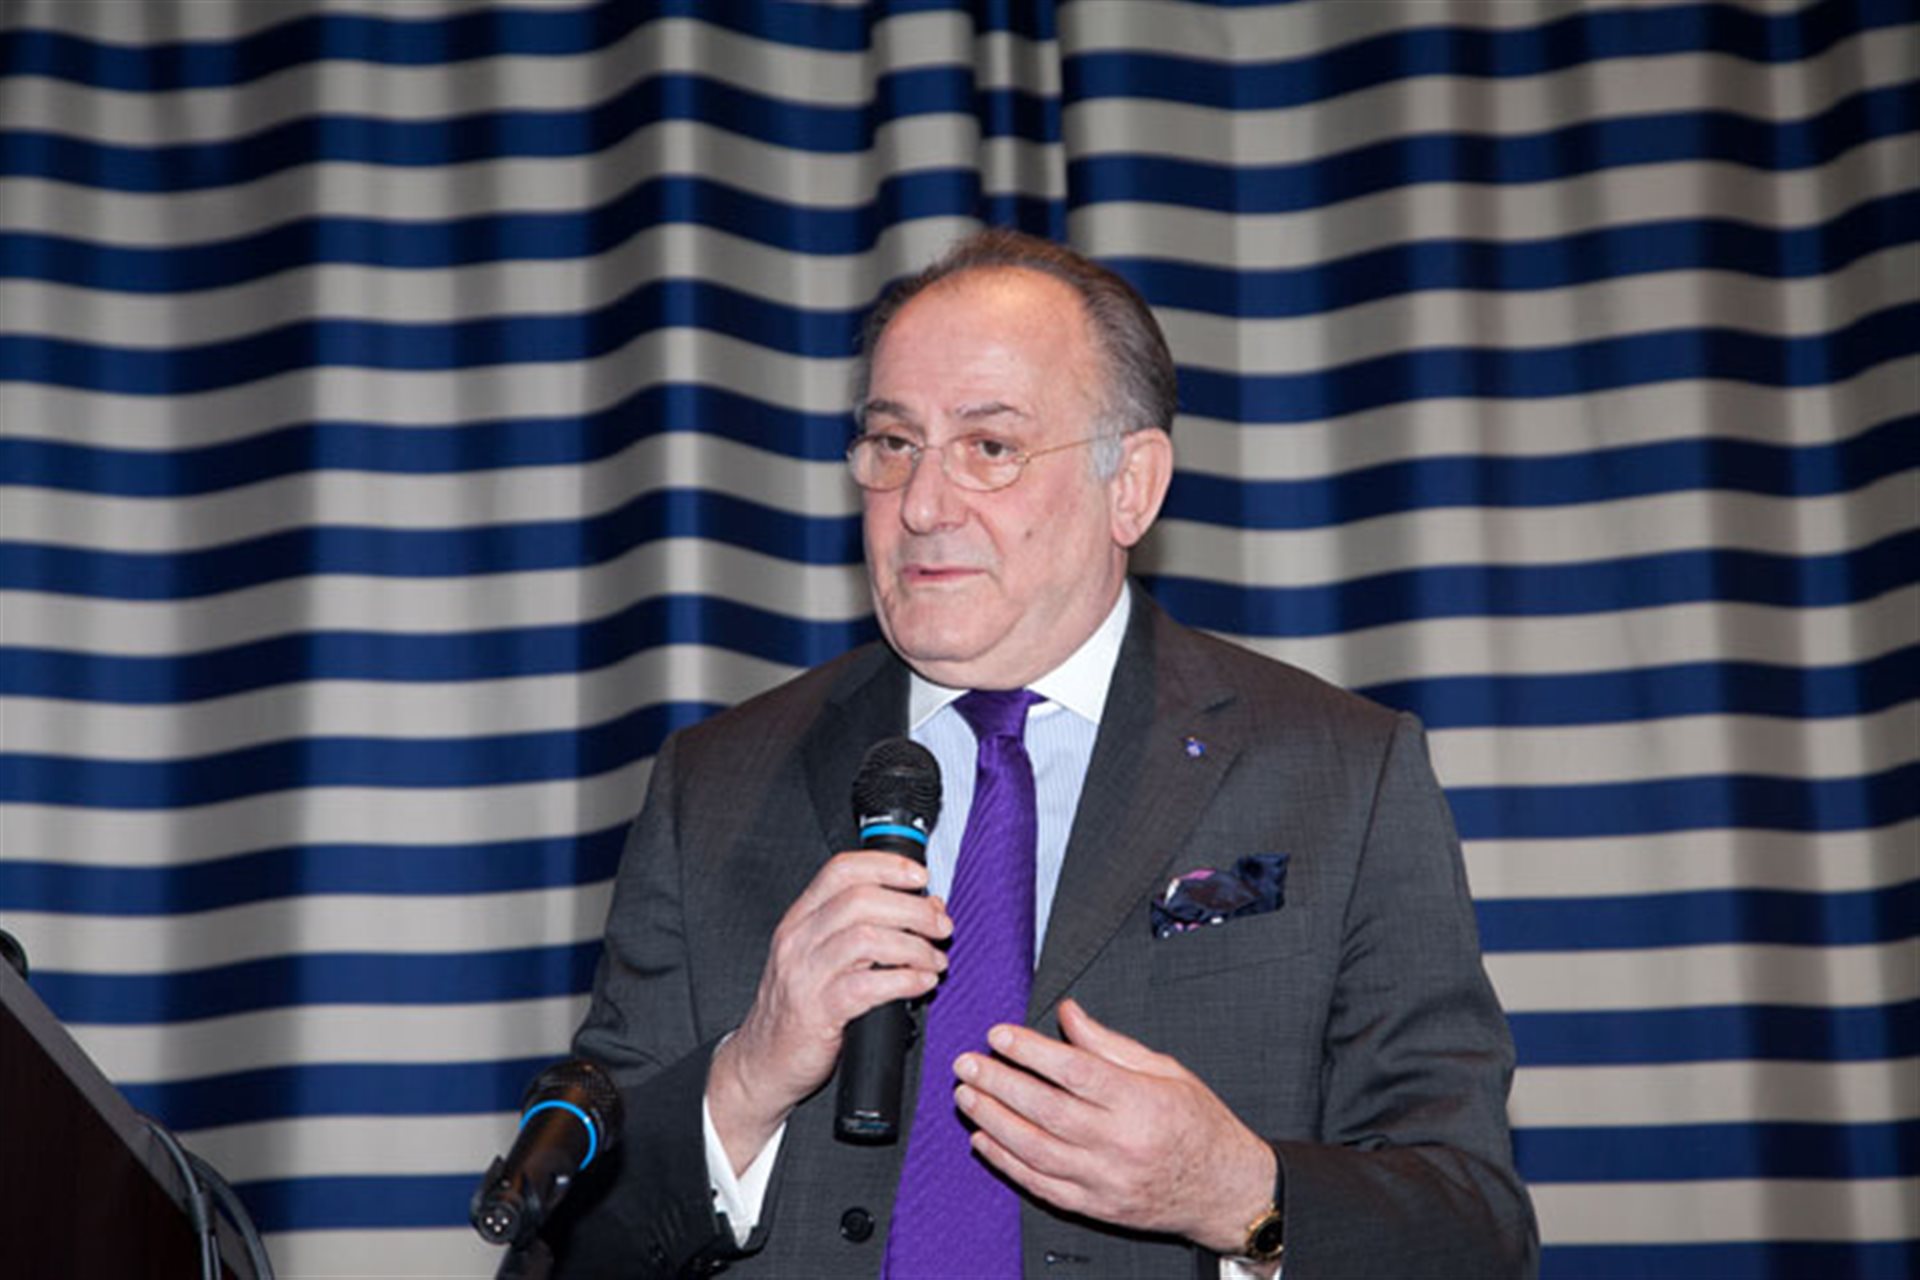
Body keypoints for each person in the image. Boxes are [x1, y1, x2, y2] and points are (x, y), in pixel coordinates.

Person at [544, 230, 1538, 1278]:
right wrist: (746, 1078)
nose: (921, 505)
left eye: (990, 447)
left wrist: (1238, 1194)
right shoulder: (712, 786)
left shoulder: (1343, 775)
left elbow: (1474, 1234)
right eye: (893, 443)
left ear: (1132, 485)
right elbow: (560, 1249)